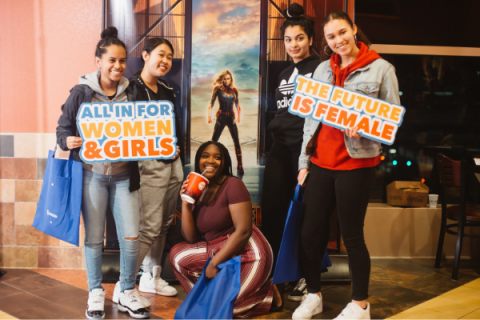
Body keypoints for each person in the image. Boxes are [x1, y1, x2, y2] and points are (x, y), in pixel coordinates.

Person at [292, 11, 400, 320]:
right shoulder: (323, 70)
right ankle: (313, 295)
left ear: (354, 30)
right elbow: (311, 119)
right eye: (331, 36)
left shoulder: (382, 69)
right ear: (325, 41)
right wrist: (304, 161)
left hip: (356, 164)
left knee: (352, 236)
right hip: (320, 164)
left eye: (342, 32)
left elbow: (390, 123)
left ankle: (360, 305)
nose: (338, 40)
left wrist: (366, 125)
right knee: (310, 235)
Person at [56, 27, 149, 319]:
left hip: (124, 177)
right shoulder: (81, 92)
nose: (117, 66)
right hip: (91, 176)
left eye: (122, 61)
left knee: (131, 237)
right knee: (94, 238)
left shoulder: (132, 91)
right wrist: (67, 141)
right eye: (111, 60)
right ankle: (95, 291)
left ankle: (126, 290)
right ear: (98, 61)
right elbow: (62, 128)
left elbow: (146, 128)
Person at [169, 141, 279, 318]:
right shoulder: (197, 189)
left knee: (220, 311)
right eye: (205, 156)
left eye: (217, 157)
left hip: (249, 253)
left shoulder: (232, 184)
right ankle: (209, 299)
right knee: (178, 255)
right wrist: (186, 203)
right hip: (216, 250)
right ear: (198, 161)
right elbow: (190, 238)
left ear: (224, 162)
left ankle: (268, 295)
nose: (211, 161)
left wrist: (213, 263)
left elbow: (243, 231)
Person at [111, 37, 184, 305]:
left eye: (169, 57)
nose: (165, 61)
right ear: (145, 55)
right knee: (149, 226)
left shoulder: (167, 89)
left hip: (172, 163)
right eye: (160, 55)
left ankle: (151, 277)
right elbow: (123, 131)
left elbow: (172, 128)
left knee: (164, 222)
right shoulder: (129, 88)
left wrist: (174, 148)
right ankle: (124, 284)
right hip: (147, 165)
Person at [260, 3, 321, 307]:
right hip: (279, 149)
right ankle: (273, 276)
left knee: (303, 217)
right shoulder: (285, 71)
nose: (293, 44)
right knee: (272, 211)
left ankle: (303, 276)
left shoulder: (321, 69)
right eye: (288, 39)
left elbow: (321, 119)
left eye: (299, 38)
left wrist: (308, 160)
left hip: (304, 152)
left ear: (310, 39)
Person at [207, 71, 244, 173]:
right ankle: (209, 162)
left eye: (228, 79)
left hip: (231, 117)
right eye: (224, 79)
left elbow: (237, 105)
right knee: (214, 140)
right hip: (221, 117)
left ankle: (240, 164)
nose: (226, 81)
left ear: (231, 79)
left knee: (236, 140)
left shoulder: (234, 91)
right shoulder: (218, 89)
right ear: (222, 79)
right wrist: (209, 117)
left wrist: (239, 117)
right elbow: (211, 103)